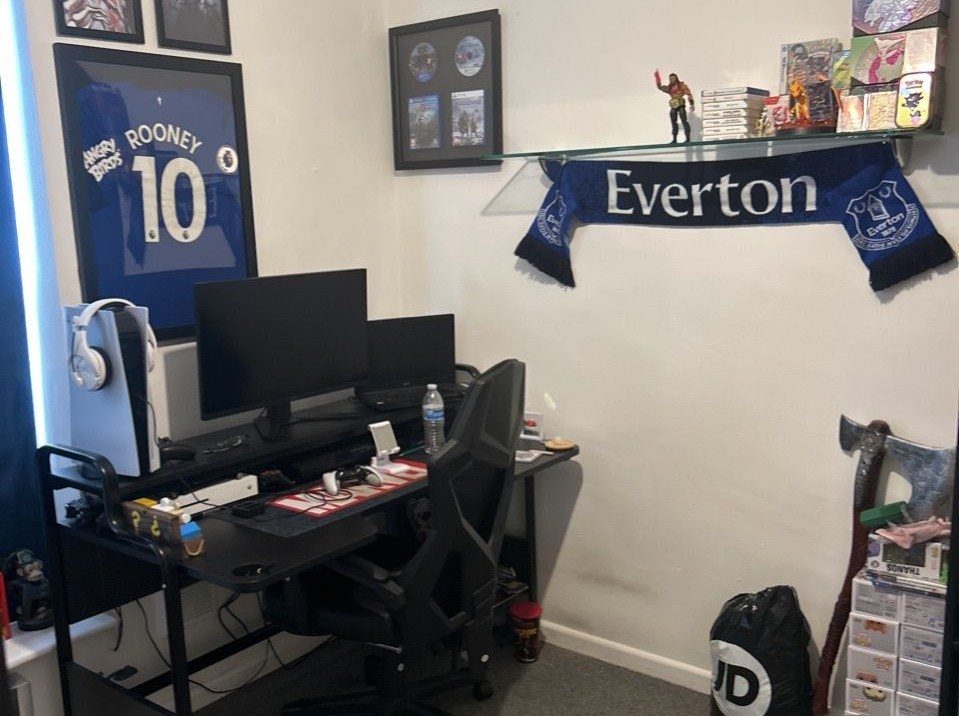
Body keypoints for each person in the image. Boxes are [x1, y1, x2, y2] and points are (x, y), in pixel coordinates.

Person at [654, 70, 695, 143]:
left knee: (684, 121)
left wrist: (692, 104)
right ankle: (674, 139)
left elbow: (689, 94)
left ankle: (688, 138)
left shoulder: (681, 86)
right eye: (670, 79)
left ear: (676, 78)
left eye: (673, 78)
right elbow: (660, 87)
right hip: (674, 106)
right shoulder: (669, 87)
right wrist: (657, 79)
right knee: (673, 121)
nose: (672, 80)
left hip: (681, 105)